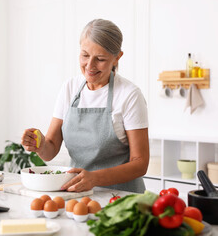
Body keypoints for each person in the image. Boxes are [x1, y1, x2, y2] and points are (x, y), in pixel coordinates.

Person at [21, 19, 149, 193]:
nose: (90, 66)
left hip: (122, 197)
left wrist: (95, 178)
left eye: (100, 59)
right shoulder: (70, 88)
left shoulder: (129, 95)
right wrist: (40, 145)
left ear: (117, 57)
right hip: (77, 194)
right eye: (85, 55)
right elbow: (50, 149)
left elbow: (140, 163)